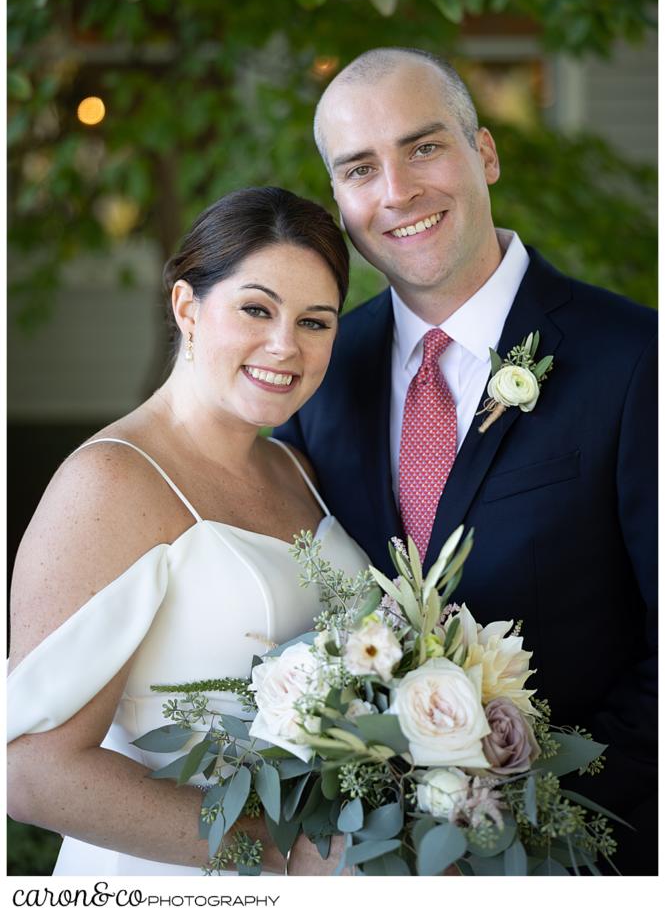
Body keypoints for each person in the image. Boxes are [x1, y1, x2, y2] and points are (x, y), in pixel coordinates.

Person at [275, 48, 657, 874]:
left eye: (423, 148)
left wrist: (543, 825)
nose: (397, 192)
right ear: (338, 200)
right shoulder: (317, 377)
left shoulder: (634, 360)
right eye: (358, 168)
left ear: (483, 152)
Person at [7, 186, 369, 876]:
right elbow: (31, 773)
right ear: (186, 307)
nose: (284, 345)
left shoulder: (295, 467)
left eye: (315, 322)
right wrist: (278, 858)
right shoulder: (110, 482)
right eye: (255, 309)